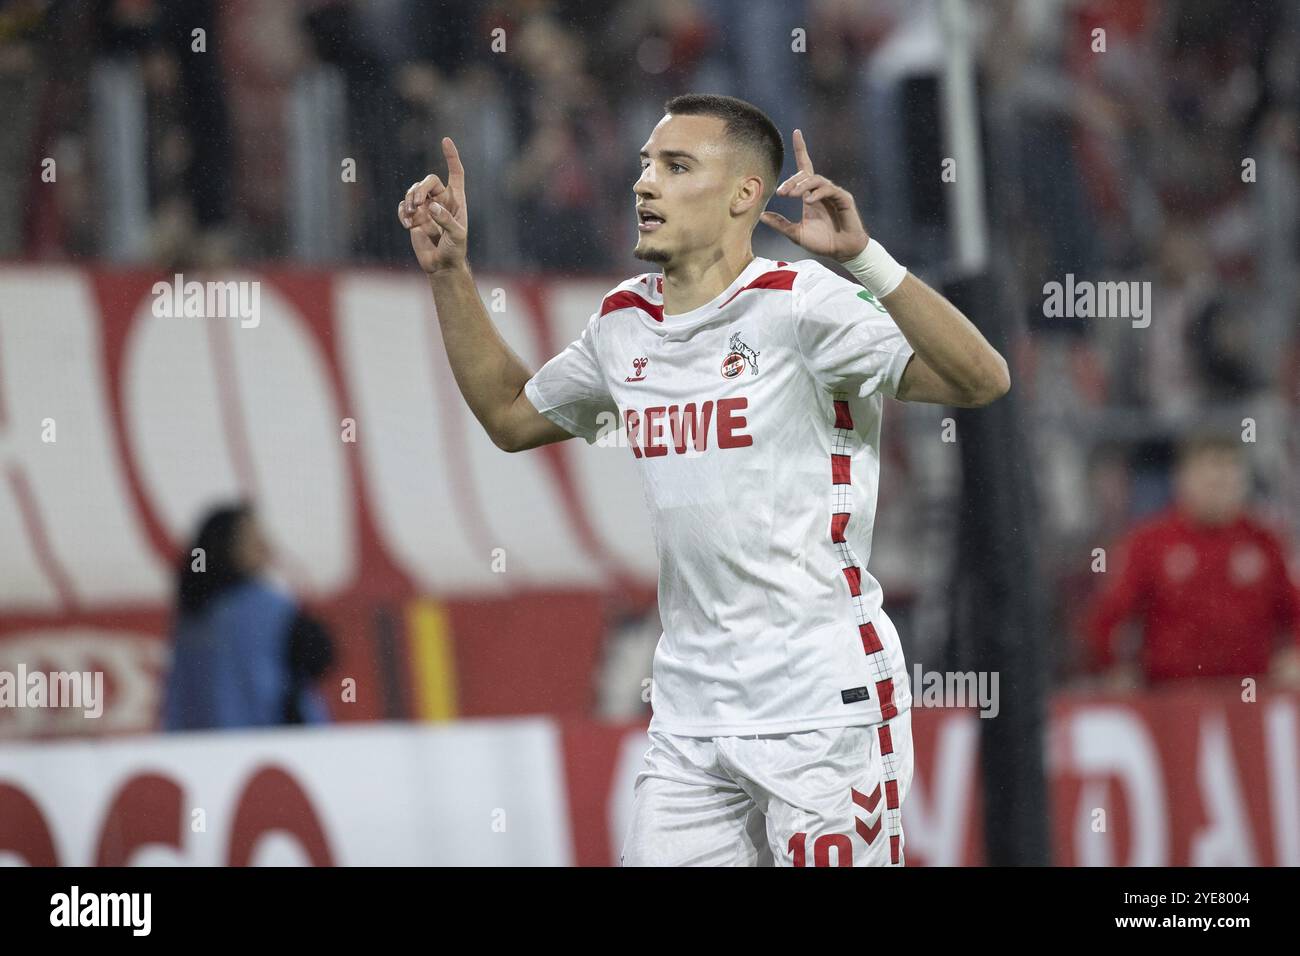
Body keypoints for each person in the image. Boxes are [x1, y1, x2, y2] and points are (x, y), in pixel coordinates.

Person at [399, 93, 1009, 867]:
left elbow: (981, 379)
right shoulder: (622, 325)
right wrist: (451, 272)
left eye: (676, 166)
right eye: (646, 165)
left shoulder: (803, 306)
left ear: (743, 196)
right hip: (689, 716)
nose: (644, 184)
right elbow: (511, 416)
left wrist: (864, 260)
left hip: (821, 705)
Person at [1086, 434, 1300, 689]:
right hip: (1172, 699)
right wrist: (1114, 667)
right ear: (1183, 480)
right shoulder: (1149, 541)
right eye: (1211, 481)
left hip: (1251, 697)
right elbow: (1110, 614)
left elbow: (1295, 608)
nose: (1220, 490)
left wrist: (1295, 656)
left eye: (1229, 481)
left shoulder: (1265, 541)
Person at [161, 502, 335, 731]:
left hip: (201, 752)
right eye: (253, 538)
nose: (266, 546)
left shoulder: (191, 616)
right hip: (271, 748)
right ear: (225, 547)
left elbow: (176, 704)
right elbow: (321, 658)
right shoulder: (268, 608)